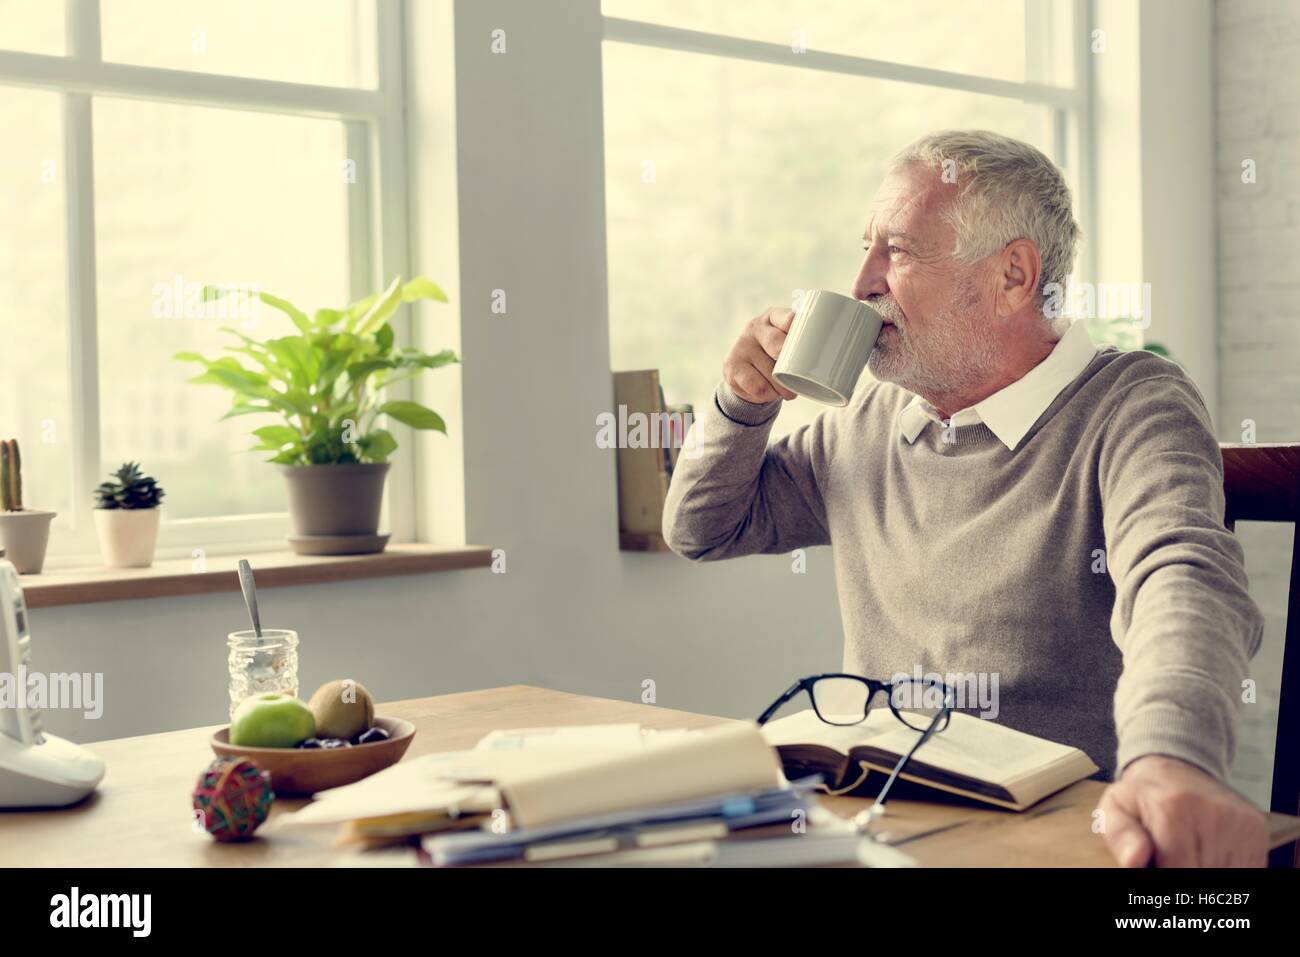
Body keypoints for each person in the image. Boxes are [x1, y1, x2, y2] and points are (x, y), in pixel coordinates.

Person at [662, 130, 1268, 867]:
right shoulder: (869, 422)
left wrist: (1170, 757)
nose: (860, 284)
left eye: (899, 251)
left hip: (1055, 833)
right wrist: (741, 401)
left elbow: (1182, 580)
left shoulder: (1131, 402)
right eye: (865, 248)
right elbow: (702, 527)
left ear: (1015, 276)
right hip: (875, 821)